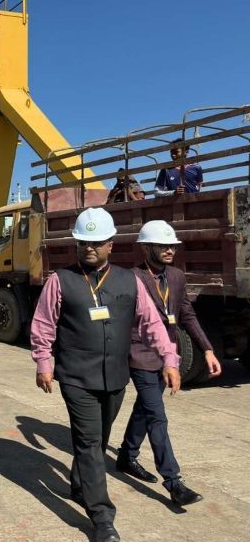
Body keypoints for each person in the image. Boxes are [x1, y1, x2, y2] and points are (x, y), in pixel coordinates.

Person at [30, 207, 181, 542]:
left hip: (115, 377)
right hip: (76, 377)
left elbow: (151, 324)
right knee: (88, 441)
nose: (89, 248)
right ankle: (101, 517)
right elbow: (43, 324)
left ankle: (79, 484)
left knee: (97, 440)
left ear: (111, 244)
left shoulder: (130, 281)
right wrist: (43, 362)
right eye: (83, 242)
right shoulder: (60, 280)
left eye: (97, 242)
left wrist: (169, 359)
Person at [116, 220, 221, 505]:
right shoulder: (132, 277)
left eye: (172, 246)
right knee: (157, 415)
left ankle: (126, 455)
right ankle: (173, 483)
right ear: (146, 248)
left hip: (167, 354)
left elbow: (187, 314)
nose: (169, 250)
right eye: (163, 246)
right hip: (140, 352)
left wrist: (207, 349)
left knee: (145, 407)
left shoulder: (176, 276)